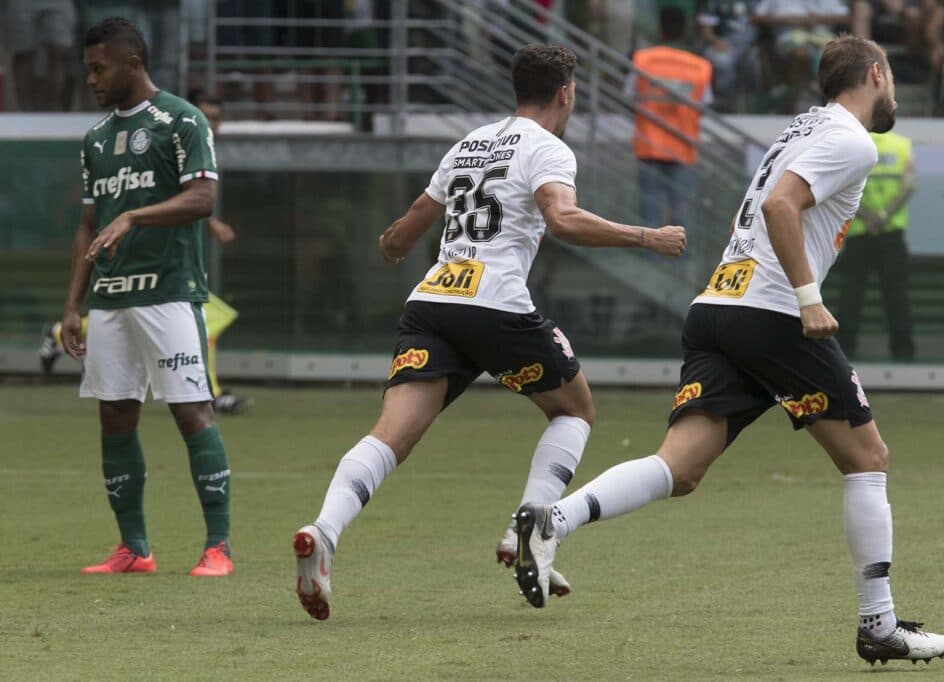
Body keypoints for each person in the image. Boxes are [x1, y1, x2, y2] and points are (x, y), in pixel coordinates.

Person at [512, 35, 944, 666]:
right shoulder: (852, 138)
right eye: (891, 82)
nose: (894, 95)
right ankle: (878, 625)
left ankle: (555, 520)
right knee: (868, 456)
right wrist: (807, 297)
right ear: (877, 74)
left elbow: (757, 209)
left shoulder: (797, 129)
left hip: (718, 306)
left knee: (680, 468)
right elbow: (780, 206)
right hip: (772, 314)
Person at [291, 44, 687, 621]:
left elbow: (405, 231)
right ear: (566, 93)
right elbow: (563, 218)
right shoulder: (548, 148)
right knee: (574, 411)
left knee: (390, 435)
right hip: (494, 304)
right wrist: (648, 238)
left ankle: (324, 532)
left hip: (433, 301)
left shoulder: (469, 143)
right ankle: (527, 524)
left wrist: (393, 243)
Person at [61, 17, 233, 576]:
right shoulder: (94, 139)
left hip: (168, 291)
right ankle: (134, 548)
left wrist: (135, 214)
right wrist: (72, 306)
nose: (91, 78)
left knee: (191, 411)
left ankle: (218, 547)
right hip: (109, 298)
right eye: (88, 68)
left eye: (98, 67)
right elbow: (89, 225)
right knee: (115, 415)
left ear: (132, 64)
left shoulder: (181, 121)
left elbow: (204, 197)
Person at [39, 90, 250, 415]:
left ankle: (210, 392)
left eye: (219, 118)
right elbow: (162, 197)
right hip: (150, 259)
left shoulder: (195, 139)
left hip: (173, 263)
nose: (214, 123)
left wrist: (212, 224)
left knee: (210, 322)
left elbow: (185, 197)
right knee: (204, 321)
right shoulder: (170, 133)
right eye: (208, 115)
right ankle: (210, 394)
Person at [631, 7, 713, 231]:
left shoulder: (642, 60)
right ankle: (681, 260)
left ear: (660, 29)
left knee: (650, 208)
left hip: (649, 144)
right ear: (685, 31)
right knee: (681, 209)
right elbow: (704, 104)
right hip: (683, 146)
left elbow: (628, 96)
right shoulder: (700, 66)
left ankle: (651, 259)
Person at [837, 131, 916, 361]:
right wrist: (883, 216)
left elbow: (844, 188)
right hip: (891, 233)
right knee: (897, 295)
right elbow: (908, 187)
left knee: (851, 295)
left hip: (859, 232)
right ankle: (903, 351)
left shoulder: (852, 145)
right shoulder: (902, 145)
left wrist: (868, 217)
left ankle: (845, 349)